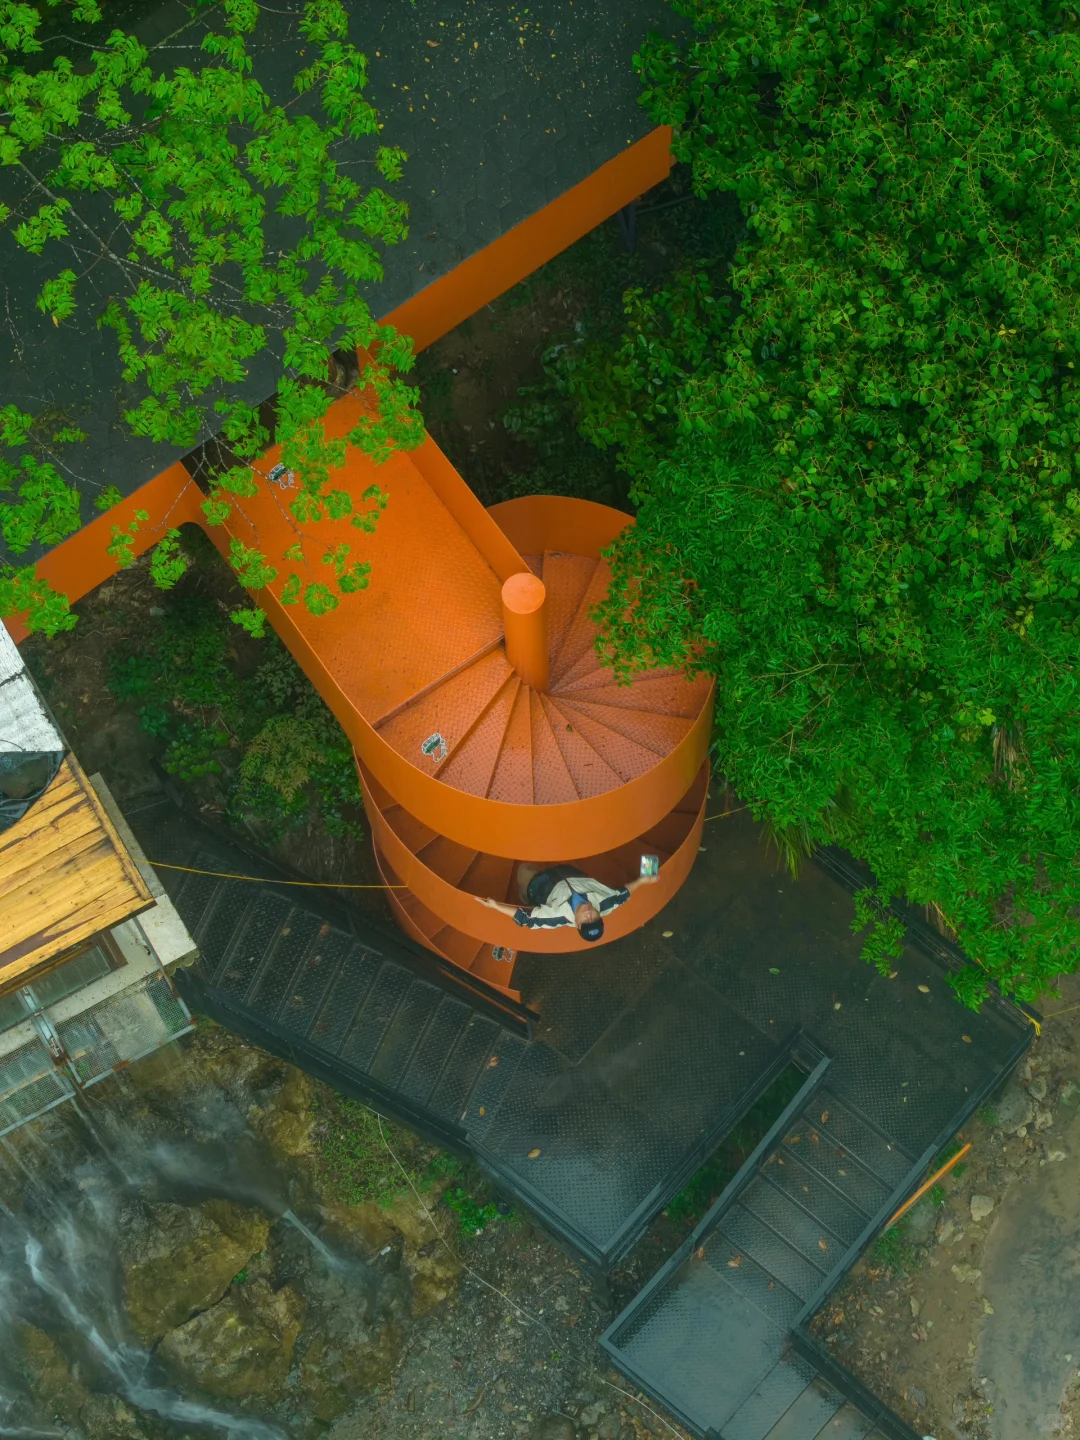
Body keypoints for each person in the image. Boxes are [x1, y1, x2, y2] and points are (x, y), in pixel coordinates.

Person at [475, 861, 659, 942]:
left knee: (523, 869)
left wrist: (495, 906)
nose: (589, 914)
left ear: (577, 925)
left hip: (540, 885)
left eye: (586, 921)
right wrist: (643, 880)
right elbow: (623, 895)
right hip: (570, 872)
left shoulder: (557, 917)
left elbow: (527, 920)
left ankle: (524, 894)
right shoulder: (607, 903)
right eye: (594, 917)